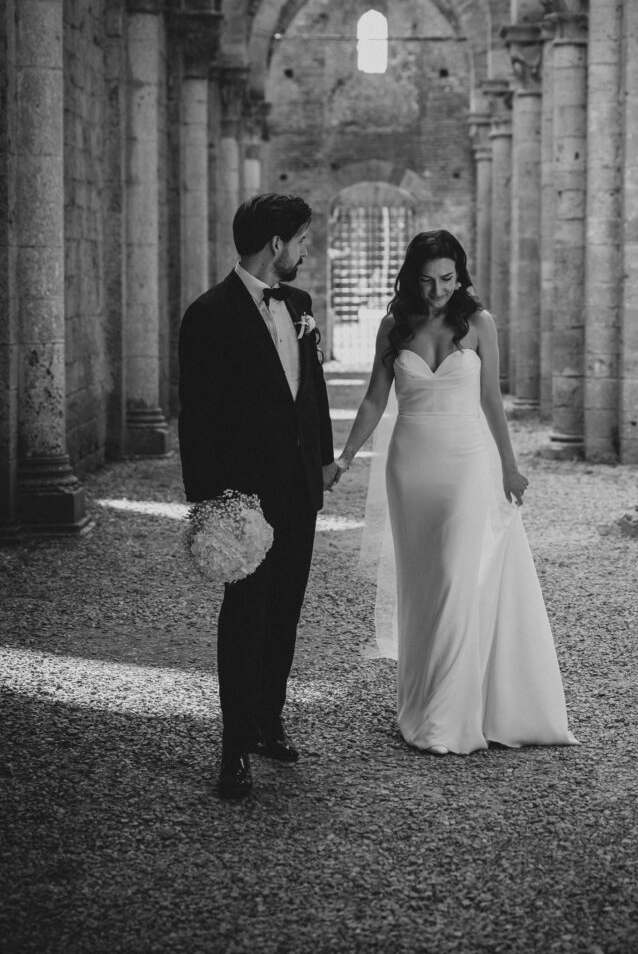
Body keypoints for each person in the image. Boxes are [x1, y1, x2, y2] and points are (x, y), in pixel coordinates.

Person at [335, 230, 577, 755]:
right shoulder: (393, 325)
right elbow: (376, 400)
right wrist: (346, 457)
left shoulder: (481, 323)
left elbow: (492, 401)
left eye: (447, 278)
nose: (438, 289)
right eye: (427, 280)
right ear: (410, 278)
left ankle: (450, 714)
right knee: (423, 584)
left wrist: (510, 467)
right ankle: (424, 701)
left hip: (468, 462)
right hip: (411, 466)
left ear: (459, 274)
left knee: (455, 576)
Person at [178, 193, 337, 799]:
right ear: (276, 244)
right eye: (301, 239)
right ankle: (234, 747)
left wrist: (321, 459)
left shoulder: (299, 304)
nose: (305, 250)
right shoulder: (210, 313)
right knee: (246, 616)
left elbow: (312, 392)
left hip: (298, 489)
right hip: (243, 499)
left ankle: (269, 721)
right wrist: (209, 504)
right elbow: (199, 420)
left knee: (286, 611)